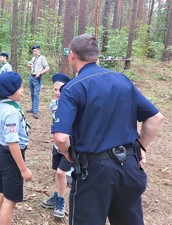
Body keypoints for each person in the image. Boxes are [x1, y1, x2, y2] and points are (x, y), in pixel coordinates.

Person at [52, 34, 164, 225]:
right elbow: (155, 117)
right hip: (129, 168)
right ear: (97, 55)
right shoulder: (123, 80)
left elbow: (61, 138)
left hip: (94, 171)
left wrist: (67, 153)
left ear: (72, 55)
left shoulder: (72, 88)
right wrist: (140, 148)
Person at [0, 71, 32, 225]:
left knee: (0, 191)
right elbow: (13, 143)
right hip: (10, 157)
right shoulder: (11, 112)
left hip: (0, 151)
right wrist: (23, 169)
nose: (22, 91)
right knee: (10, 200)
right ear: (9, 91)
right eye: (19, 88)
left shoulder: (1, 103)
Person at [41, 73, 72, 219]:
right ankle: (57, 195)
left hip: (69, 145)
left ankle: (60, 203)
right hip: (56, 144)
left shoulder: (73, 105)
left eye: (61, 90)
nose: (57, 93)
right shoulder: (52, 104)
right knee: (56, 172)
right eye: (55, 89)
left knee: (61, 173)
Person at [27, 45, 49, 119]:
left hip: (38, 77)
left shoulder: (42, 58)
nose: (34, 52)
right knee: (32, 93)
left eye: (35, 51)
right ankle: (33, 108)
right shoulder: (33, 58)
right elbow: (28, 63)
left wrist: (40, 73)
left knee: (36, 94)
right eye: (33, 51)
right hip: (31, 76)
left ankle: (35, 111)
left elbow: (47, 68)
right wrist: (30, 65)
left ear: (39, 50)